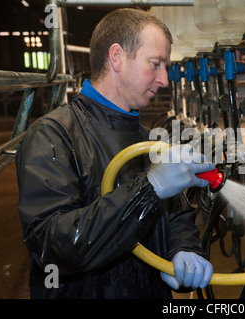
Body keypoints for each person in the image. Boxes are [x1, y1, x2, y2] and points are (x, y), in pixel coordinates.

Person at [15, 8, 215, 299]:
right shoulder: (53, 135)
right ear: (117, 57)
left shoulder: (149, 141)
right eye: (156, 64)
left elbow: (177, 215)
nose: (164, 80)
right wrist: (150, 188)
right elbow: (53, 243)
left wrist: (183, 249)